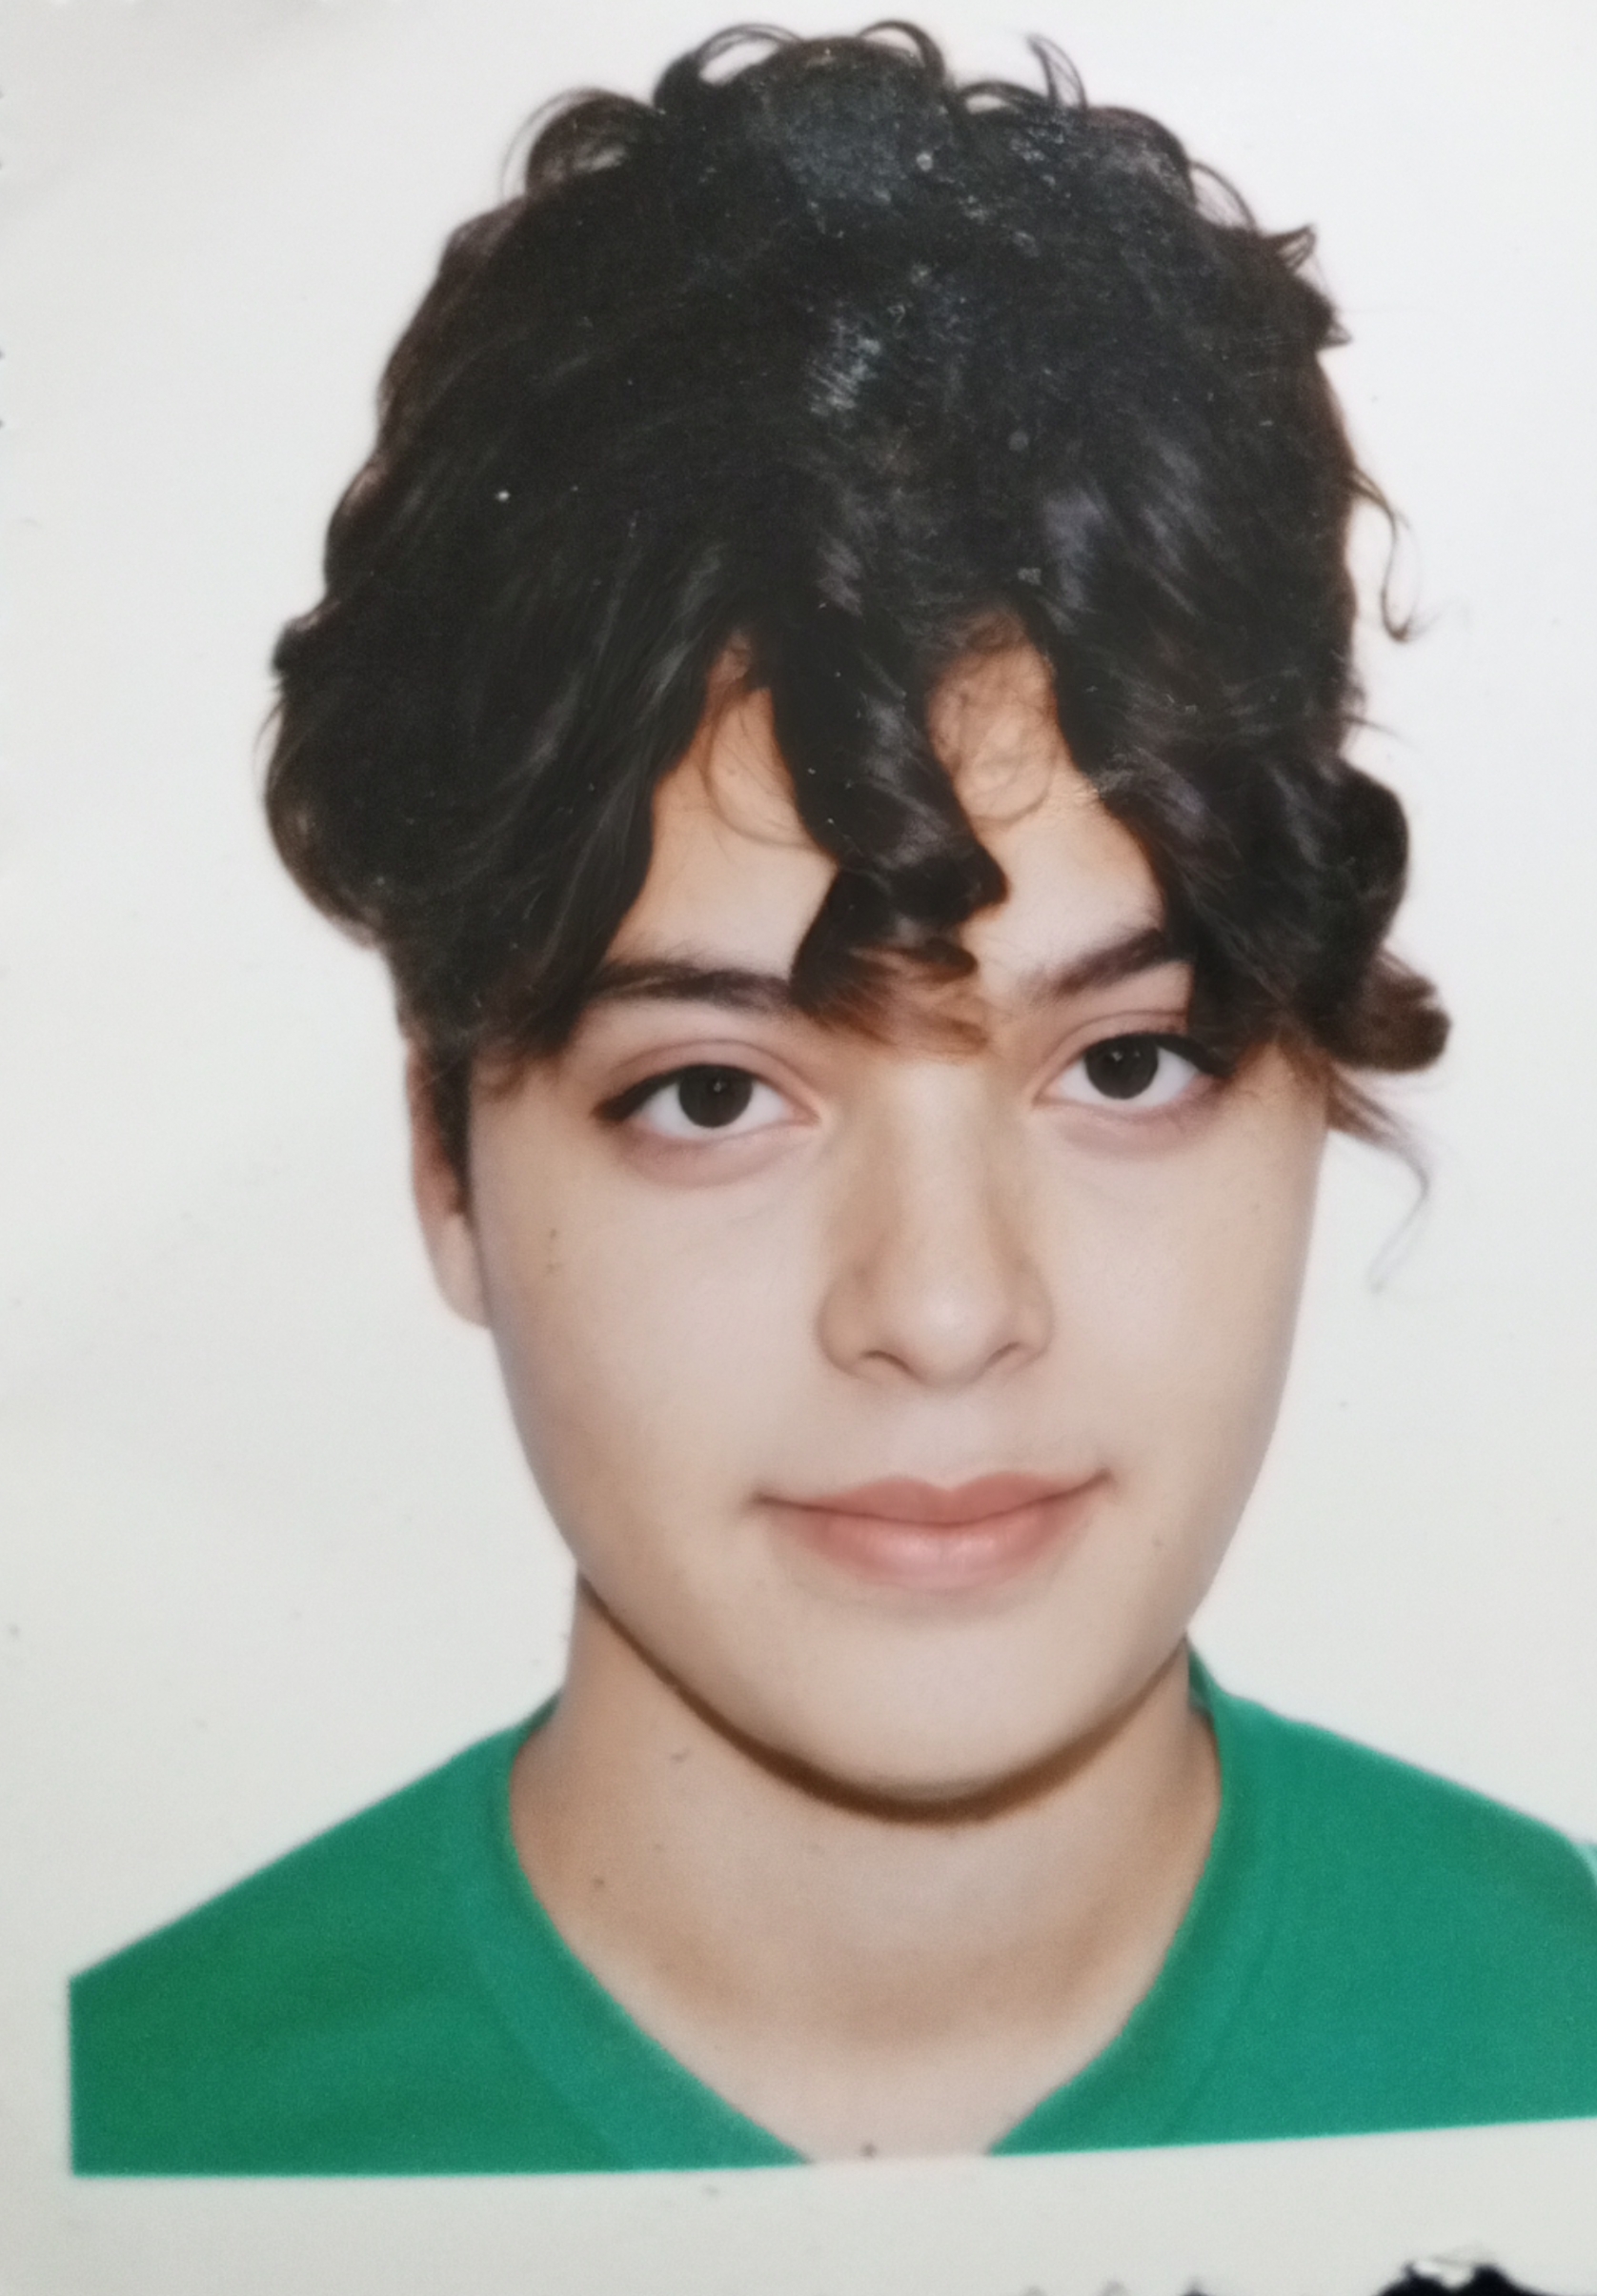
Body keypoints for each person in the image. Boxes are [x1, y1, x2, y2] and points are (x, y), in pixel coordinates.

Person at [70, 21, 1597, 2176]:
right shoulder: (110, 2156)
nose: (944, 1309)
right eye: (713, 1092)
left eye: (1125, 1061)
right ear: (446, 1159)